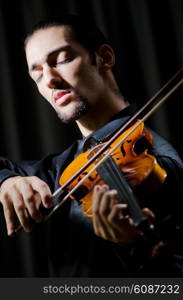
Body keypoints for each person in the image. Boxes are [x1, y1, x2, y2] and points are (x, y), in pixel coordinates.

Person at [0, 14, 183, 277]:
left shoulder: (160, 164)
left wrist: (133, 246)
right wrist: (7, 181)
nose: (49, 80)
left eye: (62, 59)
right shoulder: (62, 169)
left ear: (105, 58)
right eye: (37, 74)